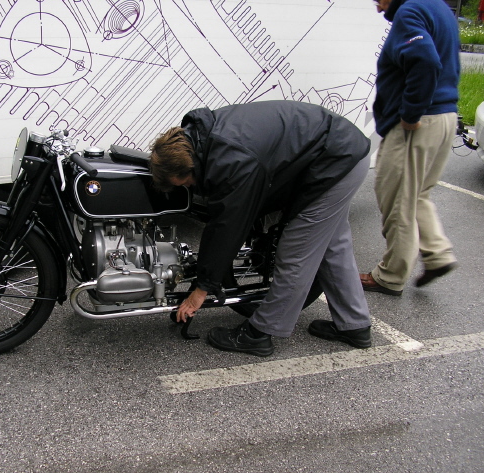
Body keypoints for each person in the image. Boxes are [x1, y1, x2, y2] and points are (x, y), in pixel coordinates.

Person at [149, 100, 372, 356]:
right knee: (333, 244)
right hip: (343, 151)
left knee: (296, 252)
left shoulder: (232, 162)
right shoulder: (203, 137)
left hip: (335, 162)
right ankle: (355, 325)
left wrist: (201, 290)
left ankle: (260, 333)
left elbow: (227, 228)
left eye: (185, 182)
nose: (187, 188)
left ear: (189, 166)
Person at [361, 0, 460, 296]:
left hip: (418, 124)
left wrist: (410, 113)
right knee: (418, 194)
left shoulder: (409, 10)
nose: (378, 7)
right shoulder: (439, 7)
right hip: (445, 115)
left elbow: (426, 59)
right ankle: (438, 254)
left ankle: (390, 276)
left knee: (397, 199)